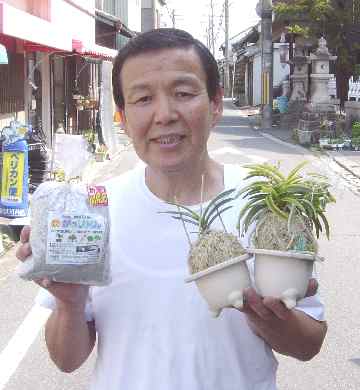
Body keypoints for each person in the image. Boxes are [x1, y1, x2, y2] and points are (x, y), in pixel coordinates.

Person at [17, 28, 327, 390]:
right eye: (143, 98)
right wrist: (70, 303)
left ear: (215, 104)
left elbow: (309, 343)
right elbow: (66, 360)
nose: (164, 114)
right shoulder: (94, 211)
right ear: (123, 117)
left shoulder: (268, 201)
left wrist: (269, 321)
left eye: (183, 93)